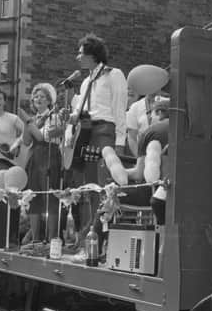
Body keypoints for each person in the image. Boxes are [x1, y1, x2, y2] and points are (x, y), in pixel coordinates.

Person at [65, 33, 128, 250]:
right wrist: (72, 117)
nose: (77, 57)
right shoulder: (85, 83)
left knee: (105, 185)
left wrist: (120, 140)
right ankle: (92, 234)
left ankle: (102, 238)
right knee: (91, 185)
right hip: (88, 132)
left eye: (81, 53)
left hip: (105, 130)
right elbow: (80, 111)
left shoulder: (114, 75)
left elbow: (120, 108)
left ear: (93, 54)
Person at [20, 83, 64, 242]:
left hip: (50, 156)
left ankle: (52, 238)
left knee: (50, 197)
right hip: (35, 158)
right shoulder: (31, 120)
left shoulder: (54, 116)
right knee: (34, 197)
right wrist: (27, 123)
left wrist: (29, 122)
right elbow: (26, 141)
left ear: (49, 101)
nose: (38, 99)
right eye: (36, 96)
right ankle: (35, 239)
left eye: (42, 96)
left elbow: (41, 137)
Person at [126, 98, 170, 225]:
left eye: (151, 114)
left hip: (153, 191)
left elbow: (139, 174)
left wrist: (119, 171)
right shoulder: (185, 130)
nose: (150, 119)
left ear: (160, 113)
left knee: (110, 197)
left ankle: (97, 241)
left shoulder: (150, 132)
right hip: (177, 189)